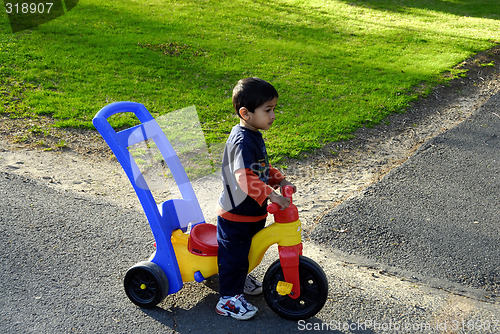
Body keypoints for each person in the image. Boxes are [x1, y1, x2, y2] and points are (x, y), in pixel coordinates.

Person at [215, 77, 296, 320]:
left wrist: (280, 180)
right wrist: (272, 195)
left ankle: (239, 277)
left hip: (251, 211)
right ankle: (228, 298)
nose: (273, 115)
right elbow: (245, 178)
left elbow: (261, 168)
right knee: (235, 255)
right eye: (268, 110)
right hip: (236, 214)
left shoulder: (253, 133)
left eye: (274, 109)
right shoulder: (242, 140)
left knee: (246, 252)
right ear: (245, 113)